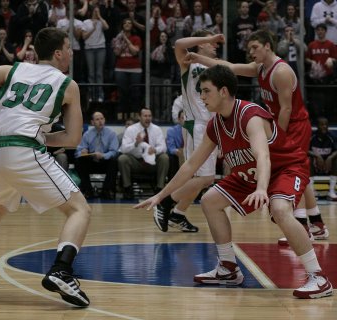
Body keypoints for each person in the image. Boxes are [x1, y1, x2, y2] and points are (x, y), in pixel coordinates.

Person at [134, 64, 334, 300]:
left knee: (280, 209)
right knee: (209, 200)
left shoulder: (251, 115)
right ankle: (228, 268)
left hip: (284, 169)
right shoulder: (215, 125)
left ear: (224, 92)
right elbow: (190, 165)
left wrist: (262, 189)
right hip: (249, 175)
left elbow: (263, 155)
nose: (202, 96)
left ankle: (318, 277)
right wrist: (161, 195)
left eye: (206, 91)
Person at [0, 27, 91, 308]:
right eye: (69, 48)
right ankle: (62, 270)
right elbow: (72, 138)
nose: (71, 52)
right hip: (22, 149)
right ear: (58, 53)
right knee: (79, 209)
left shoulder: (16, 69)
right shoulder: (67, 84)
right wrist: (43, 137)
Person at [183, 30, 329, 244]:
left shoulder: (281, 72)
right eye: (249, 48)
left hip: (292, 125)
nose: (250, 52)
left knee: (292, 170)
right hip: (279, 124)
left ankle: (307, 225)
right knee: (297, 172)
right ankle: (314, 223)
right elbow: (229, 67)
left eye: (255, 47)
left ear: (268, 46)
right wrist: (198, 58)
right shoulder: (260, 69)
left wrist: (276, 139)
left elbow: (287, 109)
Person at [152, 29, 218, 234]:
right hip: (197, 124)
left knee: (198, 178)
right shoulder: (189, 62)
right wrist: (209, 37)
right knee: (206, 179)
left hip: (209, 125)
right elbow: (179, 43)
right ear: (201, 44)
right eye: (211, 43)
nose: (215, 45)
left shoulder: (215, 67)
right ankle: (164, 203)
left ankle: (178, 214)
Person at [118, 107, 169, 200]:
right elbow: (123, 149)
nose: (148, 118)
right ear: (139, 117)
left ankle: (160, 188)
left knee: (164, 157)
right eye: (145, 116)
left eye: (149, 116)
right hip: (136, 162)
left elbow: (163, 147)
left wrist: (155, 150)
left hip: (152, 162)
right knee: (123, 158)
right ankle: (127, 188)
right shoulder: (131, 129)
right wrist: (135, 144)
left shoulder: (157, 129)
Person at [74, 111, 119, 200]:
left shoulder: (111, 134)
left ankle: (106, 191)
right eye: (97, 119)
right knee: (79, 161)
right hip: (92, 162)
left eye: (102, 119)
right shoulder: (87, 134)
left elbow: (114, 151)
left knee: (114, 161)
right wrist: (82, 152)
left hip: (105, 162)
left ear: (104, 120)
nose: (100, 121)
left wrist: (103, 155)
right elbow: (78, 152)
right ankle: (88, 190)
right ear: (92, 122)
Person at [309, 117, 337, 204]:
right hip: (315, 166)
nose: (324, 126)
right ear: (317, 126)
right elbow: (303, 149)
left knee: (336, 160)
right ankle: (312, 191)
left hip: (328, 166)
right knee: (307, 159)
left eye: (326, 125)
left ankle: (331, 192)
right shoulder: (312, 136)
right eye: (321, 124)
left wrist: (330, 157)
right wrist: (316, 155)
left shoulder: (332, 136)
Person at [166, 110, 184, 180]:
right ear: (179, 119)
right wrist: (178, 152)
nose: (185, 120)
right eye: (183, 118)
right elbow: (171, 148)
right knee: (172, 159)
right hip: (176, 154)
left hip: (189, 154)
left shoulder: (193, 130)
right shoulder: (171, 130)